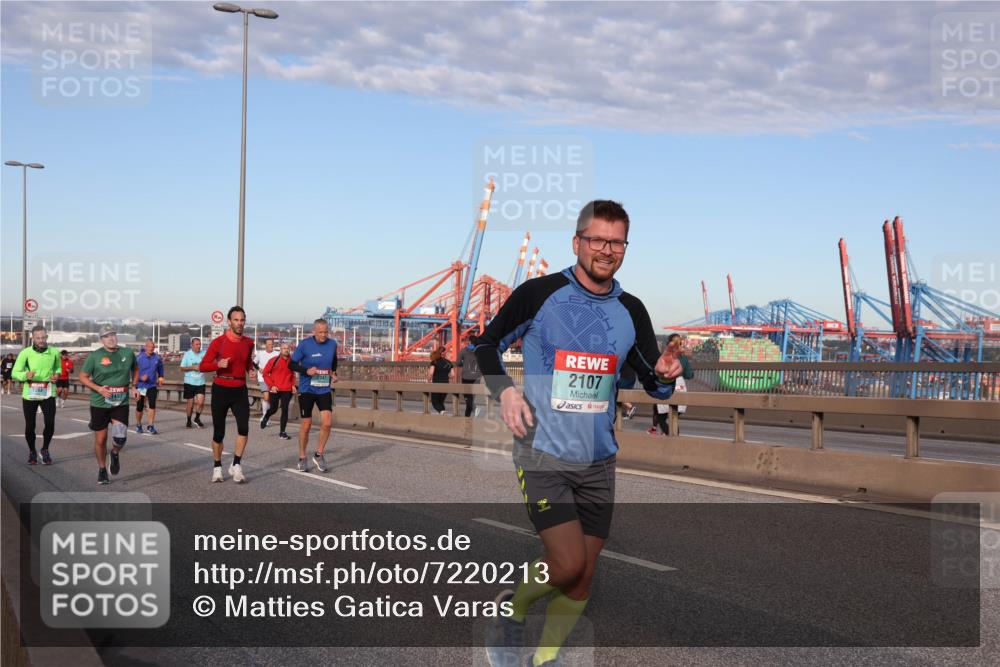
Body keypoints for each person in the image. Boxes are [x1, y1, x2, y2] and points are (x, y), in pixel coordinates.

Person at [477, 200, 684, 667]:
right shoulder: (539, 293)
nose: (606, 250)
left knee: (582, 579)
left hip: (599, 460)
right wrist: (505, 392)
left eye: (616, 242)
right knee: (567, 563)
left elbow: (654, 382)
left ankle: (543, 660)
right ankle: (510, 609)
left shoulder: (631, 310)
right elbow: (485, 345)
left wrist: (667, 374)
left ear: (625, 247)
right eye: (597, 239)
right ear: (577, 242)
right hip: (543, 452)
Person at [199, 306, 256, 483]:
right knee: (218, 433)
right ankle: (217, 467)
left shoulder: (248, 342)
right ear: (229, 322)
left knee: (244, 428)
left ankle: (236, 464)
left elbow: (247, 362)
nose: (240, 323)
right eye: (236, 320)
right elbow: (203, 366)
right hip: (221, 388)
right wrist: (218, 364)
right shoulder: (219, 342)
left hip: (239, 387)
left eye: (242, 320)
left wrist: (251, 370)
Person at [79, 325, 139, 484]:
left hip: (121, 402)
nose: (111, 338)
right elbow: (83, 376)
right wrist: (98, 388)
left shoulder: (127, 353)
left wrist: (134, 386)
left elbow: (136, 369)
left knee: (120, 438)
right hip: (100, 403)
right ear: (101, 340)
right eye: (106, 336)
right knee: (101, 439)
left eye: (113, 335)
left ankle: (114, 453)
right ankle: (102, 469)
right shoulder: (95, 356)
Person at [289, 319, 338, 472]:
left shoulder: (332, 344)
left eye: (326, 332)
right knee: (306, 425)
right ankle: (302, 457)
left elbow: (334, 360)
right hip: (307, 389)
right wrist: (305, 370)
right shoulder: (305, 344)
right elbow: (291, 364)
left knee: (327, 423)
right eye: (320, 332)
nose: (324, 335)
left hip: (324, 388)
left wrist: (334, 373)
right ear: (314, 332)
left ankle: (318, 454)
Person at [12, 325, 61, 465]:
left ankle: (45, 449)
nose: (41, 340)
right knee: (30, 425)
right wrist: (25, 375)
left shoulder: (54, 352)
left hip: (48, 392)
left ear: (47, 337)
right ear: (33, 338)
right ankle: (32, 451)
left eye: (43, 337)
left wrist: (56, 375)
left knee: (50, 423)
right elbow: (15, 372)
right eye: (38, 338)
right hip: (30, 394)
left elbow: (58, 368)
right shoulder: (25, 353)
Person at [649, 334, 694, 435]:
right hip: (680, 384)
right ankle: (674, 436)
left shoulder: (664, 356)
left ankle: (670, 435)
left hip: (666, 384)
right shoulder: (683, 358)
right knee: (674, 416)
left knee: (661, 417)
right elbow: (689, 375)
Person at [261, 341, 295, 440]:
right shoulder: (274, 360)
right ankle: (266, 416)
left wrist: (293, 385)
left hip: (287, 389)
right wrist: (271, 386)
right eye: (284, 348)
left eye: (288, 348)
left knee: (285, 409)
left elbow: (292, 375)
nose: (286, 350)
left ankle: (282, 432)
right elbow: (265, 374)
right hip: (275, 389)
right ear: (280, 350)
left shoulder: (292, 361)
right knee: (274, 409)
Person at [134, 339, 164, 434]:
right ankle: (138, 424)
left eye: (153, 347)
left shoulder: (157, 358)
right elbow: (133, 372)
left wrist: (160, 378)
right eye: (150, 347)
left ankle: (150, 426)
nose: (151, 349)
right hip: (140, 385)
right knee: (140, 407)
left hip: (151, 385)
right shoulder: (139, 358)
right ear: (145, 347)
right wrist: (140, 378)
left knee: (152, 405)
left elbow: (160, 369)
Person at [181, 337, 207, 429]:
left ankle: (197, 418)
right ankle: (188, 419)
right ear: (192, 345)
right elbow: (182, 368)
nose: (199, 346)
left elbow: (209, 363)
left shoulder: (204, 353)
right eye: (196, 344)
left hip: (200, 382)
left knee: (200, 402)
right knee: (190, 404)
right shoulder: (187, 354)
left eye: (199, 344)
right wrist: (193, 367)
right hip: (189, 382)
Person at [456, 335, 483, 417]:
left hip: (466, 376)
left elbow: (458, 363)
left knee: (467, 397)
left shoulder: (463, 351)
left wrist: (463, 363)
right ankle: (467, 417)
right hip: (477, 376)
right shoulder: (480, 350)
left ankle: (475, 409)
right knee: (472, 398)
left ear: (469, 341)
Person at [253, 338, 280, 415]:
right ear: (265, 345)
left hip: (273, 379)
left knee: (270, 399)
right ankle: (265, 416)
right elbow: (254, 363)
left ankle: (266, 414)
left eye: (272, 344)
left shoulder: (277, 354)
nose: (271, 346)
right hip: (263, 378)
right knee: (266, 397)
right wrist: (259, 369)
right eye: (269, 344)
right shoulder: (260, 354)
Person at [427, 346, 453, 414]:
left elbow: (431, 373)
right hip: (446, 384)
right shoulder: (449, 363)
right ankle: (443, 414)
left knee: (435, 402)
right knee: (441, 402)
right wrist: (445, 375)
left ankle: (442, 412)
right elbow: (452, 375)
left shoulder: (434, 362)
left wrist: (428, 380)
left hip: (436, 384)